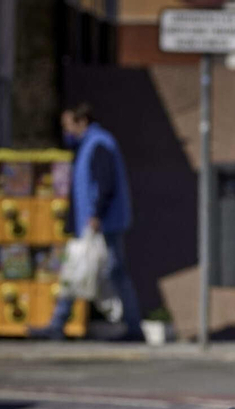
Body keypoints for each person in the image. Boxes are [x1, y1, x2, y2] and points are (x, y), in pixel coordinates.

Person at [30, 103, 142, 340]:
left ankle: (133, 327)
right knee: (78, 269)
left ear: (82, 122)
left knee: (109, 271)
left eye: (68, 125)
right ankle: (58, 324)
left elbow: (104, 182)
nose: (66, 131)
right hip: (93, 223)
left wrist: (96, 215)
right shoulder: (89, 144)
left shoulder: (98, 143)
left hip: (103, 224)